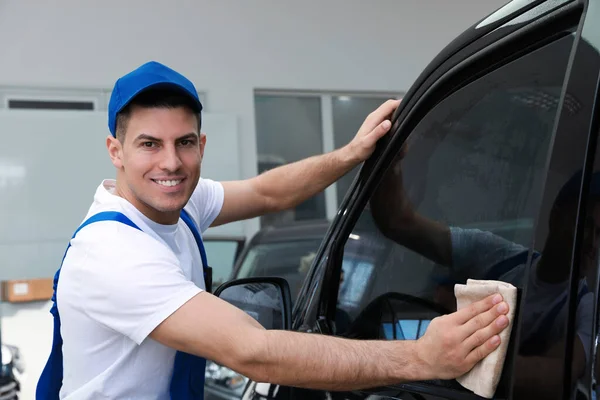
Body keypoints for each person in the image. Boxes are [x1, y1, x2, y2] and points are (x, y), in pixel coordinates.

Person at [36, 61, 510, 400]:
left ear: (201, 144)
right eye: (148, 144)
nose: (171, 163)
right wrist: (421, 358)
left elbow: (266, 193)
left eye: (184, 143)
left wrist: (349, 156)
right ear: (115, 151)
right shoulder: (113, 251)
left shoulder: (175, 205)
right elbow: (253, 350)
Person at [370, 149, 599, 398]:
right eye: (586, 225)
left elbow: (556, 377)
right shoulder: (496, 255)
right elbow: (396, 221)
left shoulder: (586, 308)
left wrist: (456, 335)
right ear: (556, 215)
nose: (593, 243)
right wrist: (393, 154)